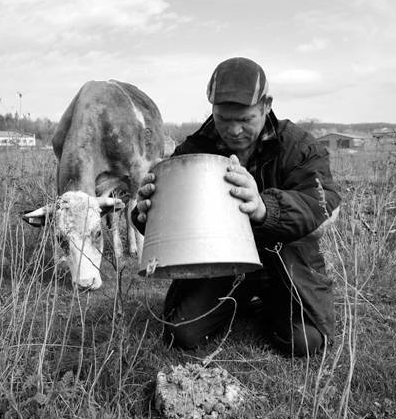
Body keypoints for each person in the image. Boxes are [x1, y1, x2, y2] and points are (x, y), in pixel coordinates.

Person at [133, 57, 342, 357]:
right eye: (223, 119)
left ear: (266, 105)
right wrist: (147, 213)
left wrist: (264, 208)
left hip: (283, 262)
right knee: (182, 333)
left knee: (304, 342)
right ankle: (237, 300)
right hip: (221, 264)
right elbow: (166, 222)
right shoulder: (194, 149)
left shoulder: (298, 146)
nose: (232, 130)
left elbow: (319, 203)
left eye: (245, 120)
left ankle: (265, 305)